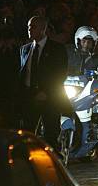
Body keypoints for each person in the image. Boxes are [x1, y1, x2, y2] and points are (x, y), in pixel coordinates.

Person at [18, 16, 68, 150]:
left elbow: (60, 74)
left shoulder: (57, 49)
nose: (29, 30)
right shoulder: (25, 49)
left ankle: (53, 162)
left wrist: (46, 91)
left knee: (51, 133)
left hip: (49, 98)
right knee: (27, 132)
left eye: (33, 27)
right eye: (28, 27)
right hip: (29, 96)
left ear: (42, 28)